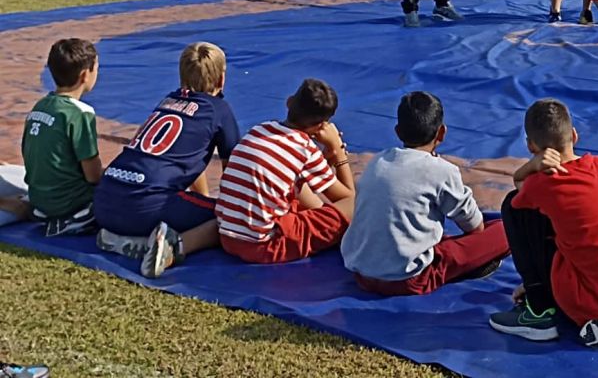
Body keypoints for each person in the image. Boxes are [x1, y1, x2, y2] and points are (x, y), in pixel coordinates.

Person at [488, 99, 598, 348]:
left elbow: (519, 188)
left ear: (530, 145)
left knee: (513, 205)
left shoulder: (545, 184)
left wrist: (530, 167)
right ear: (574, 135)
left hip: (590, 300)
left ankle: (538, 311)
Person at [92, 43, 240, 278]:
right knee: (232, 218)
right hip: (147, 205)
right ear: (221, 79)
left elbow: (189, 158)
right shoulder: (218, 109)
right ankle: (174, 245)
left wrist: (199, 200)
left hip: (104, 201)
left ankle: (125, 240)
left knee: (184, 199)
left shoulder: (167, 102)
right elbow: (234, 173)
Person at [343, 91, 509, 295]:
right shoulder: (441, 170)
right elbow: (474, 226)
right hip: (410, 278)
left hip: (362, 273)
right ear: (441, 133)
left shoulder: (377, 162)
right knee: (507, 229)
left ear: (397, 131)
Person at [214, 78, 356, 263]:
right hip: (264, 246)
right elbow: (348, 198)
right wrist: (338, 154)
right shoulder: (304, 149)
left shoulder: (259, 130)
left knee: (297, 187)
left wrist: (326, 157)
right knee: (355, 206)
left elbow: (294, 175)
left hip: (227, 238)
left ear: (289, 102)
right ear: (321, 126)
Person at [21, 39, 101, 237]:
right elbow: (93, 175)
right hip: (68, 202)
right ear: (85, 75)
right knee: (120, 192)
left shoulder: (40, 106)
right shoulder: (80, 113)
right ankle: (76, 218)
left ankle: (45, 211)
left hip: (38, 197)